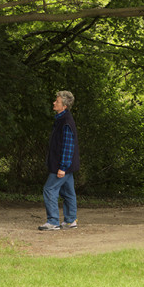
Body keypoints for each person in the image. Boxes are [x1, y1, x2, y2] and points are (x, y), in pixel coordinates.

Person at [39, 90, 80, 231]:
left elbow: (68, 146)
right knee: (68, 193)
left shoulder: (66, 121)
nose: (54, 103)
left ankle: (53, 222)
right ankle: (70, 221)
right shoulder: (61, 119)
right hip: (64, 166)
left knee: (49, 189)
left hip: (62, 166)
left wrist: (63, 167)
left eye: (57, 101)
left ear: (64, 106)